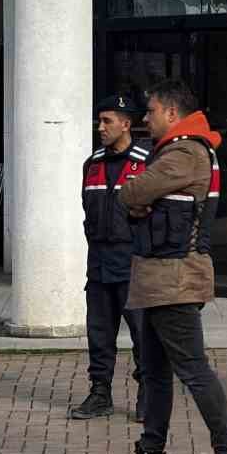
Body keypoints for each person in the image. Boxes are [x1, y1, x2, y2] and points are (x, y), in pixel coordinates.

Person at [104, 79, 227, 454]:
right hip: (157, 279)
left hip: (175, 279)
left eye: (150, 112)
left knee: (193, 370)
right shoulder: (174, 152)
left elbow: (131, 191)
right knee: (154, 372)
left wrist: (138, 196)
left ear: (171, 113)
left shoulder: (185, 152)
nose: (144, 120)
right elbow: (137, 198)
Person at [69, 92, 149, 421]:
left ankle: (148, 393)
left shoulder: (147, 162)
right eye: (99, 121)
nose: (100, 127)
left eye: (107, 121)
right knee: (99, 334)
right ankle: (99, 392)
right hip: (99, 263)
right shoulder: (93, 163)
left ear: (126, 124)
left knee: (143, 335)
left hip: (133, 264)